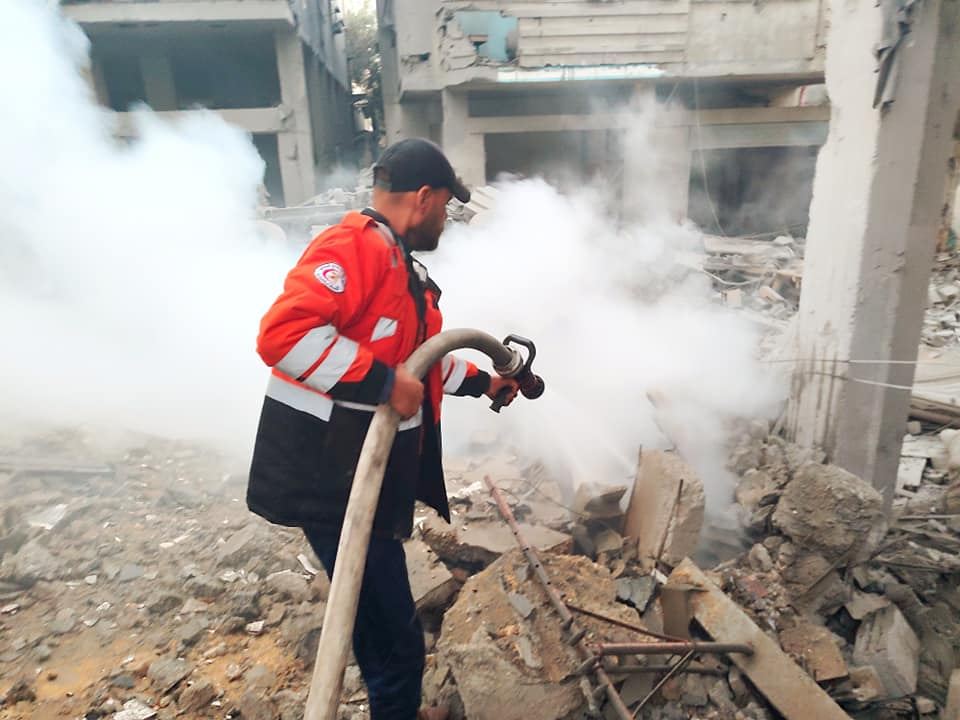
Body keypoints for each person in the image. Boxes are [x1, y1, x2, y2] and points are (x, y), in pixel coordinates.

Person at [247, 138, 519, 720]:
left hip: (361, 485)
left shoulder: (399, 265)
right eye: (444, 206)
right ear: (422, 198)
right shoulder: (353, 248)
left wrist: (484, 382)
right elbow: (283, 336)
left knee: (380, 630)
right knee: (397, 647)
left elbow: (418, 362)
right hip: (332, 484)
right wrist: (381, 383)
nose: (445, 220)